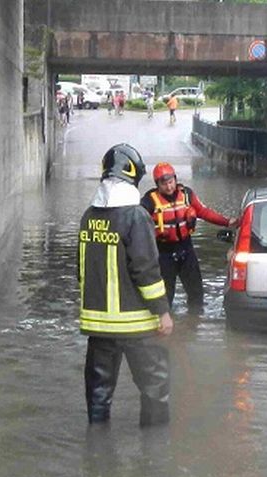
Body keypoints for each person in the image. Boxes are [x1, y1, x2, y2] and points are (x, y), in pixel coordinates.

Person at [78, 143, 173, 426]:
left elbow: (82, 271)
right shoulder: (136, 216)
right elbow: (146, 270)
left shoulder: (89, 216)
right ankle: (155, 448)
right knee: (155, 389)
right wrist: (162, 311)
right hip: (137, 327)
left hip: (98, 327)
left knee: (98, 395)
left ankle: (97, 445)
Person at [140, 162, 238, 313]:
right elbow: (138, 223)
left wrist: (227, 222)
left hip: (186, 249)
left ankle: (194, 321)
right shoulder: (149, 201)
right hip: (163, 253)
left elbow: (204, 212)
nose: (169, 187)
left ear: (175, 179)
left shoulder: (187, 195)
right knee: (165, 296)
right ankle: (167, 321)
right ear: (157, 185)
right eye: (164, 184)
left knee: (196, 293)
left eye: (171, 182)